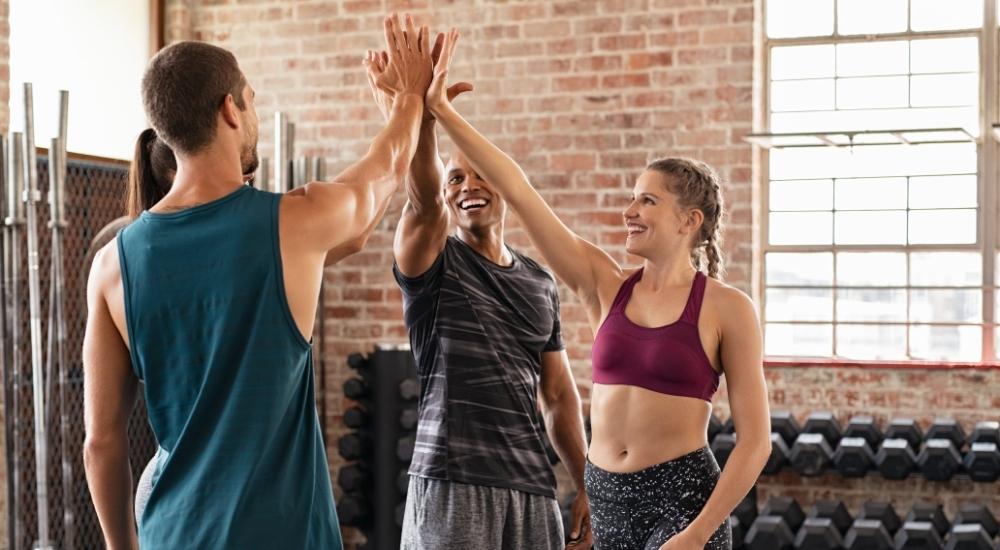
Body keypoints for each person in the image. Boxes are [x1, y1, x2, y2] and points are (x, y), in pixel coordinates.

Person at [83, 14, 436, 548]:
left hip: (172, 534)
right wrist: (408, 98)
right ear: (230, 108)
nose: (251, 114)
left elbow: (102, 443)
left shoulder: (111, 264)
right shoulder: (294, 221)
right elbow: (378, 179)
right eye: (250, 99)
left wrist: (120, 546)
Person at [423, 46, 772, 550]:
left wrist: (697, 534)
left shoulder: (728, 308)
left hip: (680, 500)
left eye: (647, 200)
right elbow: (520, 192)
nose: (629, 210)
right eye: (632, 197)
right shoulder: (604, 284)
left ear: (688, 221)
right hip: (608, 496)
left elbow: (755, 442)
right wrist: (442, 111)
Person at [363, 33, 592, 550]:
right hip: (451, 480)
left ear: (506, 186)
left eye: (482, 175)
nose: (468, 186)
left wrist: (586, 483)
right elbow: (422, 199)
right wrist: (418, 112)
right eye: (456, 179)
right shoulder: (434, 261)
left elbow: (557, 395)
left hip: (533, 488)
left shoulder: (539, 281)